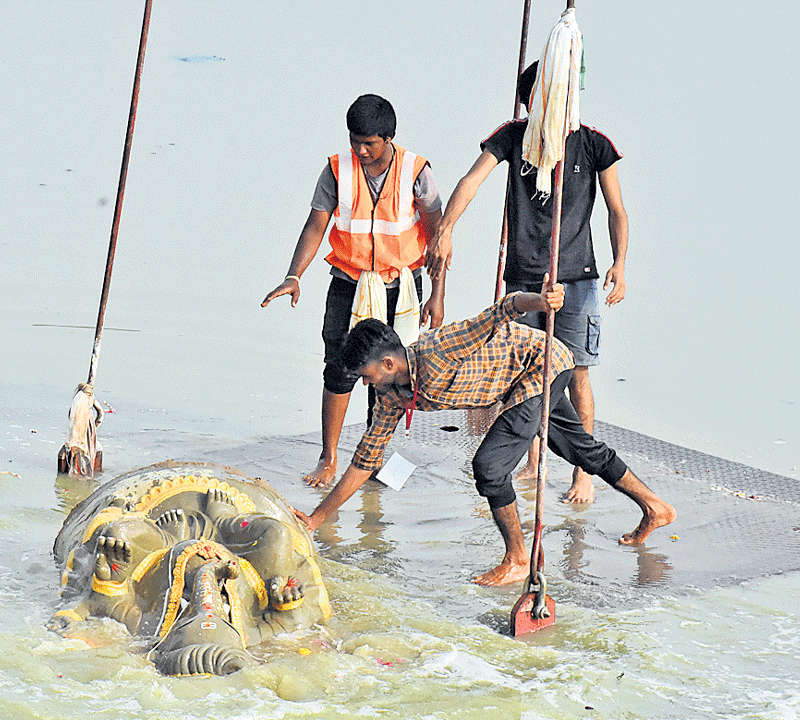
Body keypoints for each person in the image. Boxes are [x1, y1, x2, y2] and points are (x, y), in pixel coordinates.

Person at [291, 280, 675, 586]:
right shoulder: (391, 394)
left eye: (367, 375)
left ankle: (518, 558)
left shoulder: (439, 350)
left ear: (389, 362)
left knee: (489, 467)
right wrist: (317, 518)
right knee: (581, 451)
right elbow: (365, 460)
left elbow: (503, 310)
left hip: (541, 366)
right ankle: (656, 507)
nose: (365, 384)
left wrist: (540, 301)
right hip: (516, 384)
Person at [429, 61, 628, 504]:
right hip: (524, 280)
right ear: (530, 101)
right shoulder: (513, 136)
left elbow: (617, 209)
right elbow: (471, 180)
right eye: (543, 97)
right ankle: (532, 457)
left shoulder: (594, 144)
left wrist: (620, 262)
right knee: (522, 371)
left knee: (576, 373)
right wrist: (445, 230)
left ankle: (583, 472)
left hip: (577, 278)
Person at [262, 94, 445, 488]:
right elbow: (315, 225)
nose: (360, 150)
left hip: (402, 287)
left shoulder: (417, 171)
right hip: (349, 281)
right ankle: (329, 459)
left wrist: (438, 294)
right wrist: (294, 275)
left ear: (389, 138)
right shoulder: (336, 171)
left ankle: (373, 457)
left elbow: (438, 235)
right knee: (340, 368)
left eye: (369, 143)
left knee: (390, 374)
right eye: (354, 140)